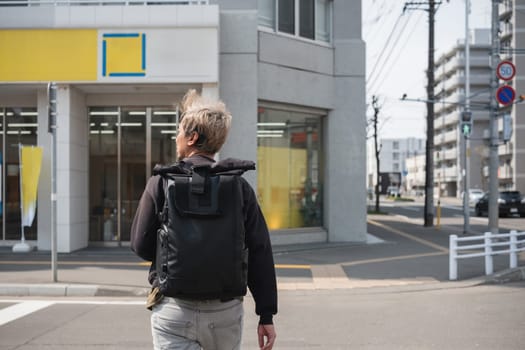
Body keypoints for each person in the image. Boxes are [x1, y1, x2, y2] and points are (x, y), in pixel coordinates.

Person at [130, 89, 277, 350]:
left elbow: (140, 245)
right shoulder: (239, 188)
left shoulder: (161, 183)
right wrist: (266, 314)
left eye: (179, 131)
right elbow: (259, 251)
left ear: (192, 137)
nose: (176, 137)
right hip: (225, 315)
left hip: (174, 312)